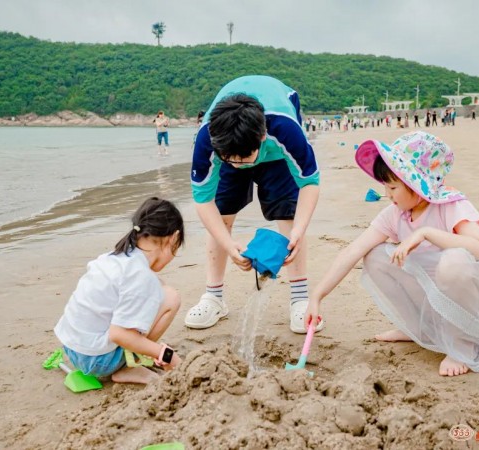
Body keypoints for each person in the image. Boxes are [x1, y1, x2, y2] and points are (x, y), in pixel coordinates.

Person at [304, 131, 479, 376]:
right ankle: (418, 328)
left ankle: (462, 343)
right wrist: (316, 296)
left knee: (454, 261)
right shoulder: (395, 213)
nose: (388, 195)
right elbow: (354, 250)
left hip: (471, 304)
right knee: (375, 255)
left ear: (415, 184)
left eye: (393, 186)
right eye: (385, 187)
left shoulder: (450, 205)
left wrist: (426, 234)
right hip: (434, 300)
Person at [185, 75, 322, 334]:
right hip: (234, 140)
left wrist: (299, 231)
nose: (239, 165)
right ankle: (213, 297)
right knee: (222, 214)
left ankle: (300, 299)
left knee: (288, 215)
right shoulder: (209, 139)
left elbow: (309, 182)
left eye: (244, 159)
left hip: (274, 152)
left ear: (261, 138)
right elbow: (203, 201)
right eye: (231, 160)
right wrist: (229, 245)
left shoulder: (285, 129)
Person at [53, 197, 185, 384]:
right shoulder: (140, 276)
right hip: (98, 361)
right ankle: (127, 367)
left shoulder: (115, 257)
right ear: (174, 238)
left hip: (72, 348)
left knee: (159, 288)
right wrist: (168, 356)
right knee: (171, 298)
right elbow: (119, 334)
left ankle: (125, 359)